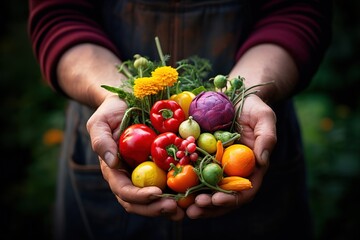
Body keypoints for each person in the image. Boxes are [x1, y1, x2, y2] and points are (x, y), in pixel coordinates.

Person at [28, 0, 332, 239]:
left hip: (250, 132)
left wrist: (249, 91)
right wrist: (117, 94)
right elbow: (58, 15)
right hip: (115, 128)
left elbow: (299, 11)